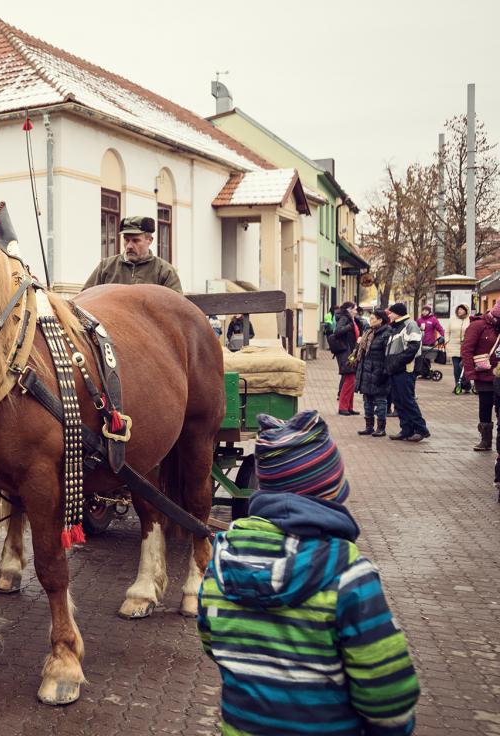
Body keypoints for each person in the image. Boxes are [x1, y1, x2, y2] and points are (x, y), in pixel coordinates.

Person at [198, 409, 419, 736]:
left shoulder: (220, 564)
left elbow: (211, 642)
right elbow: (387, 693)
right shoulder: (348, 575)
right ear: (332, 494)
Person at [81, 216, 182, 292]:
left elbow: (176, 307)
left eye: (135, 240)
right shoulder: (106, 266)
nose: (129, 246)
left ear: (149, 240)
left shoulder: (165, 271)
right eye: (126, 240)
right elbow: (84, 299)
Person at [384, 303, 430, 442]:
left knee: (407, 400)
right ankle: (406, 430)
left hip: (405, 369)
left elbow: (413, 348)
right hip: (396, 369)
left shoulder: (410, 325)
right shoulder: (396, 326)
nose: (389, 315)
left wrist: (397, 362)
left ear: (398, 313)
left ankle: (421, 429)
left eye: (391, 313)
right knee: (399, 401)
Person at [461, 308, 499, 452]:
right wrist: (470, 373)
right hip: (484, 374)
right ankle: (486, 439)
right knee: (486, 406)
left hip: (499, 374)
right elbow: (467, 350)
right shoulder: (478, 325)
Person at [353, 308, 390, 437]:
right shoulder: (368, 332)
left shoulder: (386, 334)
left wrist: (384, 372)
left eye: (373, 318)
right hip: (365, 371)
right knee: (367, 400)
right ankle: (369, 427)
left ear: (380, 320)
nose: (370, 320)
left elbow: (388, 356)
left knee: (380, 400)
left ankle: (381, 428)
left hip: (378, 372)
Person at [328, 301, 360, 416]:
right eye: (354, 309)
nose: (356, 311)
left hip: (350, 352)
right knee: (349, 379)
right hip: (345, 352)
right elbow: (337, 331)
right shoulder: (344, 318)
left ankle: (349, 407)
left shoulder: (350, 319)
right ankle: (343, 407)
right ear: (349, 309)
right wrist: (349, 326)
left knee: (351, 379)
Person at [414, 304, 445, 376]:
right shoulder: (419, 320)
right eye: (423, 310)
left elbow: (440, 329)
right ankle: (423, 373)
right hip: (420, 342)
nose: (424, 312)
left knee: (426, 358)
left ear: (429, 312)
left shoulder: (433, 319)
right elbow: (415, 329)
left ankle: (426, 373)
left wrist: (442, 336)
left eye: (426, 310)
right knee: (420, 358)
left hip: (429, 342)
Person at [447, 303, 471, 390]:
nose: (459, 311)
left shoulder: (470, 320)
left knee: (465, 367)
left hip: (466, 346)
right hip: (454, 346)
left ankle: (467, 385)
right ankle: (458, 385)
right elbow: (447, 331)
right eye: (459, 309)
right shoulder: (452, 319)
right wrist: (447, 341)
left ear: (466, 310)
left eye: (462, 309)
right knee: (456, 367)